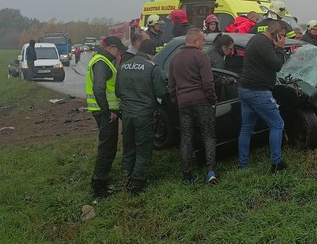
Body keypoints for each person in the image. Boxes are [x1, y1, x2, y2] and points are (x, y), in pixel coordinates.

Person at [117, 33, 166, 195]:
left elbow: (118, 92)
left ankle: (126, 178)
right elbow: (160, 92)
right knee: (144, 149)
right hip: (144, 115)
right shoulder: (152, 67)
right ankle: (137, 185)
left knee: (129, 148)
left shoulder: (123, 66)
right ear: (151, 53)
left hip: (127, 116)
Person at [169, 28, 219, 185]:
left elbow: (171, 85)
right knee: (208, 136)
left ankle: (187, 176)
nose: (204, 43)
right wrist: (212, 100)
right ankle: (210, 172)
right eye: (203, 40)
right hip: (202, 101)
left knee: (186, 139)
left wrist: (176, 100)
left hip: (183, 103)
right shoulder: (201, 56)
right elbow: (208, 82)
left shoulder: (175, 59)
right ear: (195, 40)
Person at [238, 20, 288, 173]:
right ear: (274, 32)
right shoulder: (264, 43)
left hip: (245, 89)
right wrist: (280, 49)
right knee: (277, 124)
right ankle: (276, 163)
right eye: (282, 36)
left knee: (246, 128)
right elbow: (277, 65)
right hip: (258, 91)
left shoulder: (255, 39)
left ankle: (243, 164)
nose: (283, 39)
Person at [86, 36, 124, 198]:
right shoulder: (101, 62)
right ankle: (99, 186)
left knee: (108, 146)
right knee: (107, 148)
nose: (118, 52)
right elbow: (99, 88)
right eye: (117, 49)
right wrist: (107, 111)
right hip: (105, 113)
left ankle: (101, 180)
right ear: (109, 47)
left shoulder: (105, 60)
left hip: (105, 111)